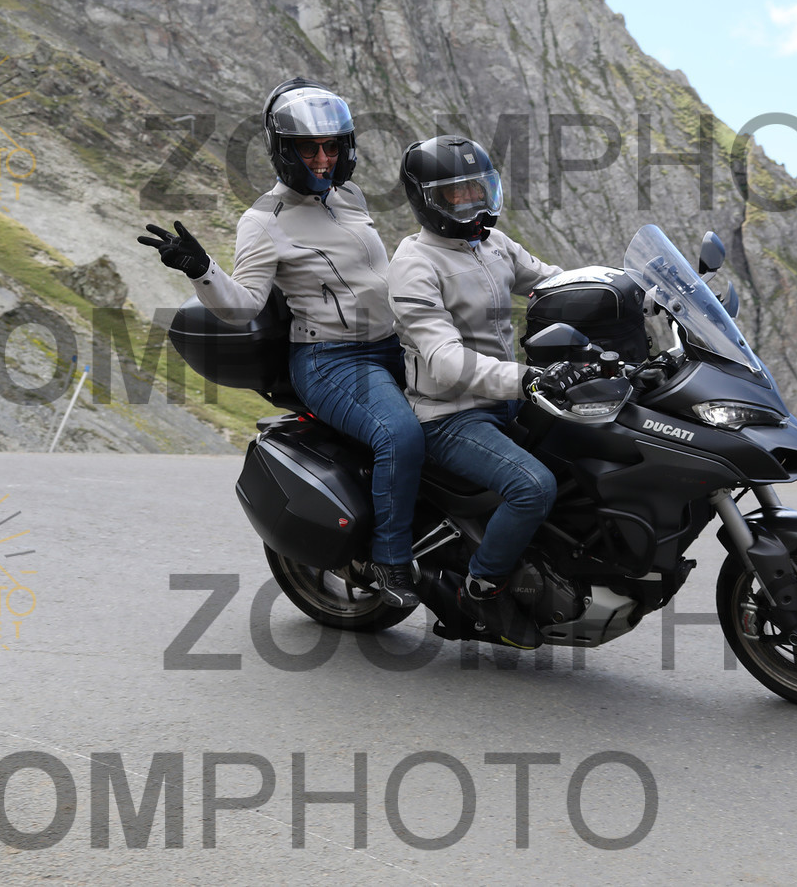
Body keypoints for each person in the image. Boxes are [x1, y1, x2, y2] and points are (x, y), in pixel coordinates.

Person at [138, 78, 424, 608]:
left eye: (331, 147)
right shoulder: (262, 222)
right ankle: (390, 562)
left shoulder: (349, 197)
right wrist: (201, 270)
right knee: (400, 435)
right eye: (309, 149)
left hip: (392, 344)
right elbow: (243, 305)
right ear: (283, 151)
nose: (323, 159)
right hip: (332, 361)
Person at [388, 135, 596, 648]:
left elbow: (556, 284)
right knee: (533, 487)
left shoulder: (493, 245)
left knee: (592, 450)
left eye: (478, 189)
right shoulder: (416, 264)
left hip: (508, 399)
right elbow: (445, 361)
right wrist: (524, 378)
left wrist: (637, 294)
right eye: (456, 194)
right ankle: (481, 590)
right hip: (450, 414)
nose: (472, 202)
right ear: (428, 200)